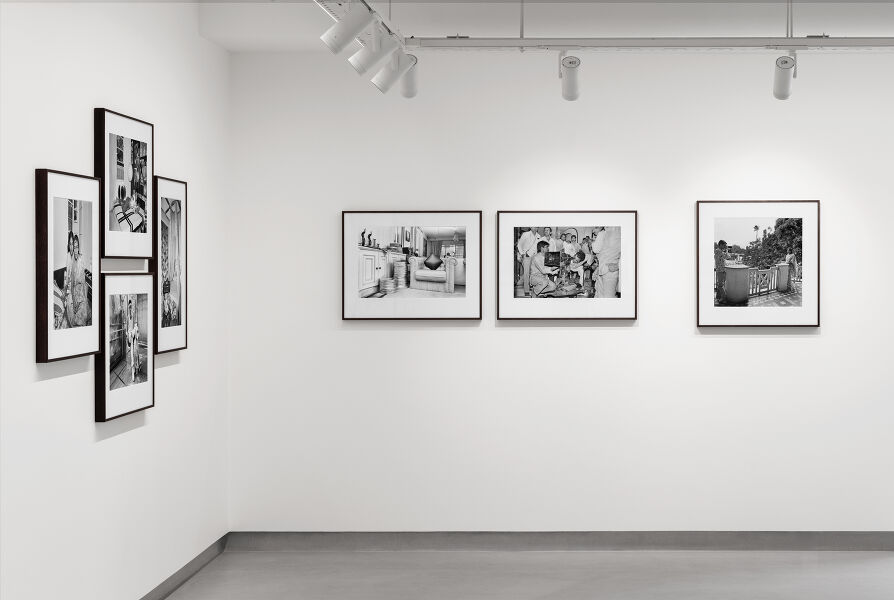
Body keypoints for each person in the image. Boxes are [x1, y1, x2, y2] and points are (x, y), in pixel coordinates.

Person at [65, 235, 91, 327]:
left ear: (78, 247)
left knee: (84, 308)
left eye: (76, 247)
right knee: (73, 311)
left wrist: (84, 295)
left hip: (81, 290)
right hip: (74, 290)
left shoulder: (81, 258)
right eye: (72, 245)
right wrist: (74, 299)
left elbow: (83, 280)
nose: (75, 249)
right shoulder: (70, 260)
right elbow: (71, 282)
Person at [592, 226, 622, 298]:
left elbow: (630, 251)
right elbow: (602, 253)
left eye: (596, 227)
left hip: (610, 271)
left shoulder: (619, 231)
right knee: (599, 295)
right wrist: (598, 268)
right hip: (602, 270)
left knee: (608, 297)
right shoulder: (604, 233)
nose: (593, 231)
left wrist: (618, 265)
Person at [516, 228, 538, 297]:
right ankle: (526, 290)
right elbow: (519, 245)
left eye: (536, 226)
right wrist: (522, 253)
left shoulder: (539, 236)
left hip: (535, 257)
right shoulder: (525, 234)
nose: (535, 227)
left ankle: (533, 287)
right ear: (531, 227)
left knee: (533, 272)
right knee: (526, 273)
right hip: (526, 256)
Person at [714, 239, 731, 304]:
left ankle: (719, 297)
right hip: (720, 270)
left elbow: (728, 257)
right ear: (720, 245)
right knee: (720, 285)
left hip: (722, 270)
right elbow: (727, 256)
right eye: (724, 245)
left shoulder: (720, 251)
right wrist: (726, 250)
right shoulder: (717, 251)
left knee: (720, 284)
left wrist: (726, 250)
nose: (725, 246)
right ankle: (724, 298)